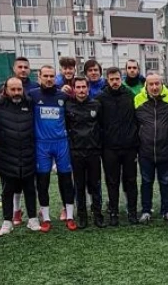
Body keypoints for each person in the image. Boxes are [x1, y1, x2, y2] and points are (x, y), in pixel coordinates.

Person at [27, 66, 76, 232]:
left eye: (51, 76)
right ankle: (46, 218)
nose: (49, 79)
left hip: (61, 143)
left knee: (66, 180)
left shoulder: (63, 96)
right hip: (42, 144)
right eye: (45, 76)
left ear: (55, 78)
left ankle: (70, 216)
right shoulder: (32, 95)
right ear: (39, 77)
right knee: (43, 181)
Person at [0, 77, 39, 234]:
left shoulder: (29, 103)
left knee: (30, 189)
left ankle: (32, 219)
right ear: (6, 90)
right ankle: (7, 221)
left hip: (28, 154)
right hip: (6, 155)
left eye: (19, 89)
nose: (17, 92)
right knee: (7, 191)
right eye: (13, 89)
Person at [97, 67, 139, 226]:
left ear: (121, 79)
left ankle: (132, 212)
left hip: (129, 147)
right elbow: (98, 123)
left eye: (117, 79)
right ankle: (113, 212)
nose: (115, 82)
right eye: (111, 79)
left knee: (131, 181)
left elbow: (137, 119)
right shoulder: (101, 98)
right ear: (107, 80)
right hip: (109, 148)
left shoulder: (130, 95)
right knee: (112, 182)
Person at [135, 74, 168, 223]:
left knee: (165, 182)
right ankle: (146, 211)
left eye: (157, 84)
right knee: (146, 182)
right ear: (146, 86)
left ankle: (167, 211)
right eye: (151, 84)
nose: (154, 87)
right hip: (145, 151)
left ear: (162, 84)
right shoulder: (137, 100)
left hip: (165, 150)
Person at [65, 77, 102, 230]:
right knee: (79, 186)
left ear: (88, 88)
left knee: (95, 184)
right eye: (78, 87)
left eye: (83, 87)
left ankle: (98, 214)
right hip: (76, 151)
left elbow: (101, 126)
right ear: (74, 89)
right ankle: (82, 215)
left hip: (93, 151)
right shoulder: (68, 105)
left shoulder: (96, 104)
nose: (81, 90)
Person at [8, 56, 38, 225]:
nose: (23, 70)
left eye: (26, 67)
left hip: (30, 140)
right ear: (14, 69)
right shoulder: (6, 87)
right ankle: (16, 210)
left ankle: (34, 212)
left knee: (31, 180)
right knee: (14, 181)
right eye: (20, 67)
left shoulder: (35, 88)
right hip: (12, 143)